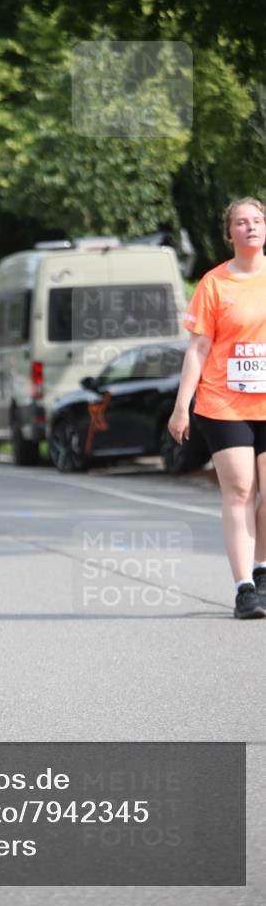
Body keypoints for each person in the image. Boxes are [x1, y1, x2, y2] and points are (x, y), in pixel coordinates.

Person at [168, 197, 266, 620]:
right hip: (224, 401)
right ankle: (244, 587)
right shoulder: (214, 284)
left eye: (257, 220)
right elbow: (198, 348)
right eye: (241, 223)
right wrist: (180, 407)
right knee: (241, 489)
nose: (250, 227)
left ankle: (262, 570)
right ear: (229, 234)